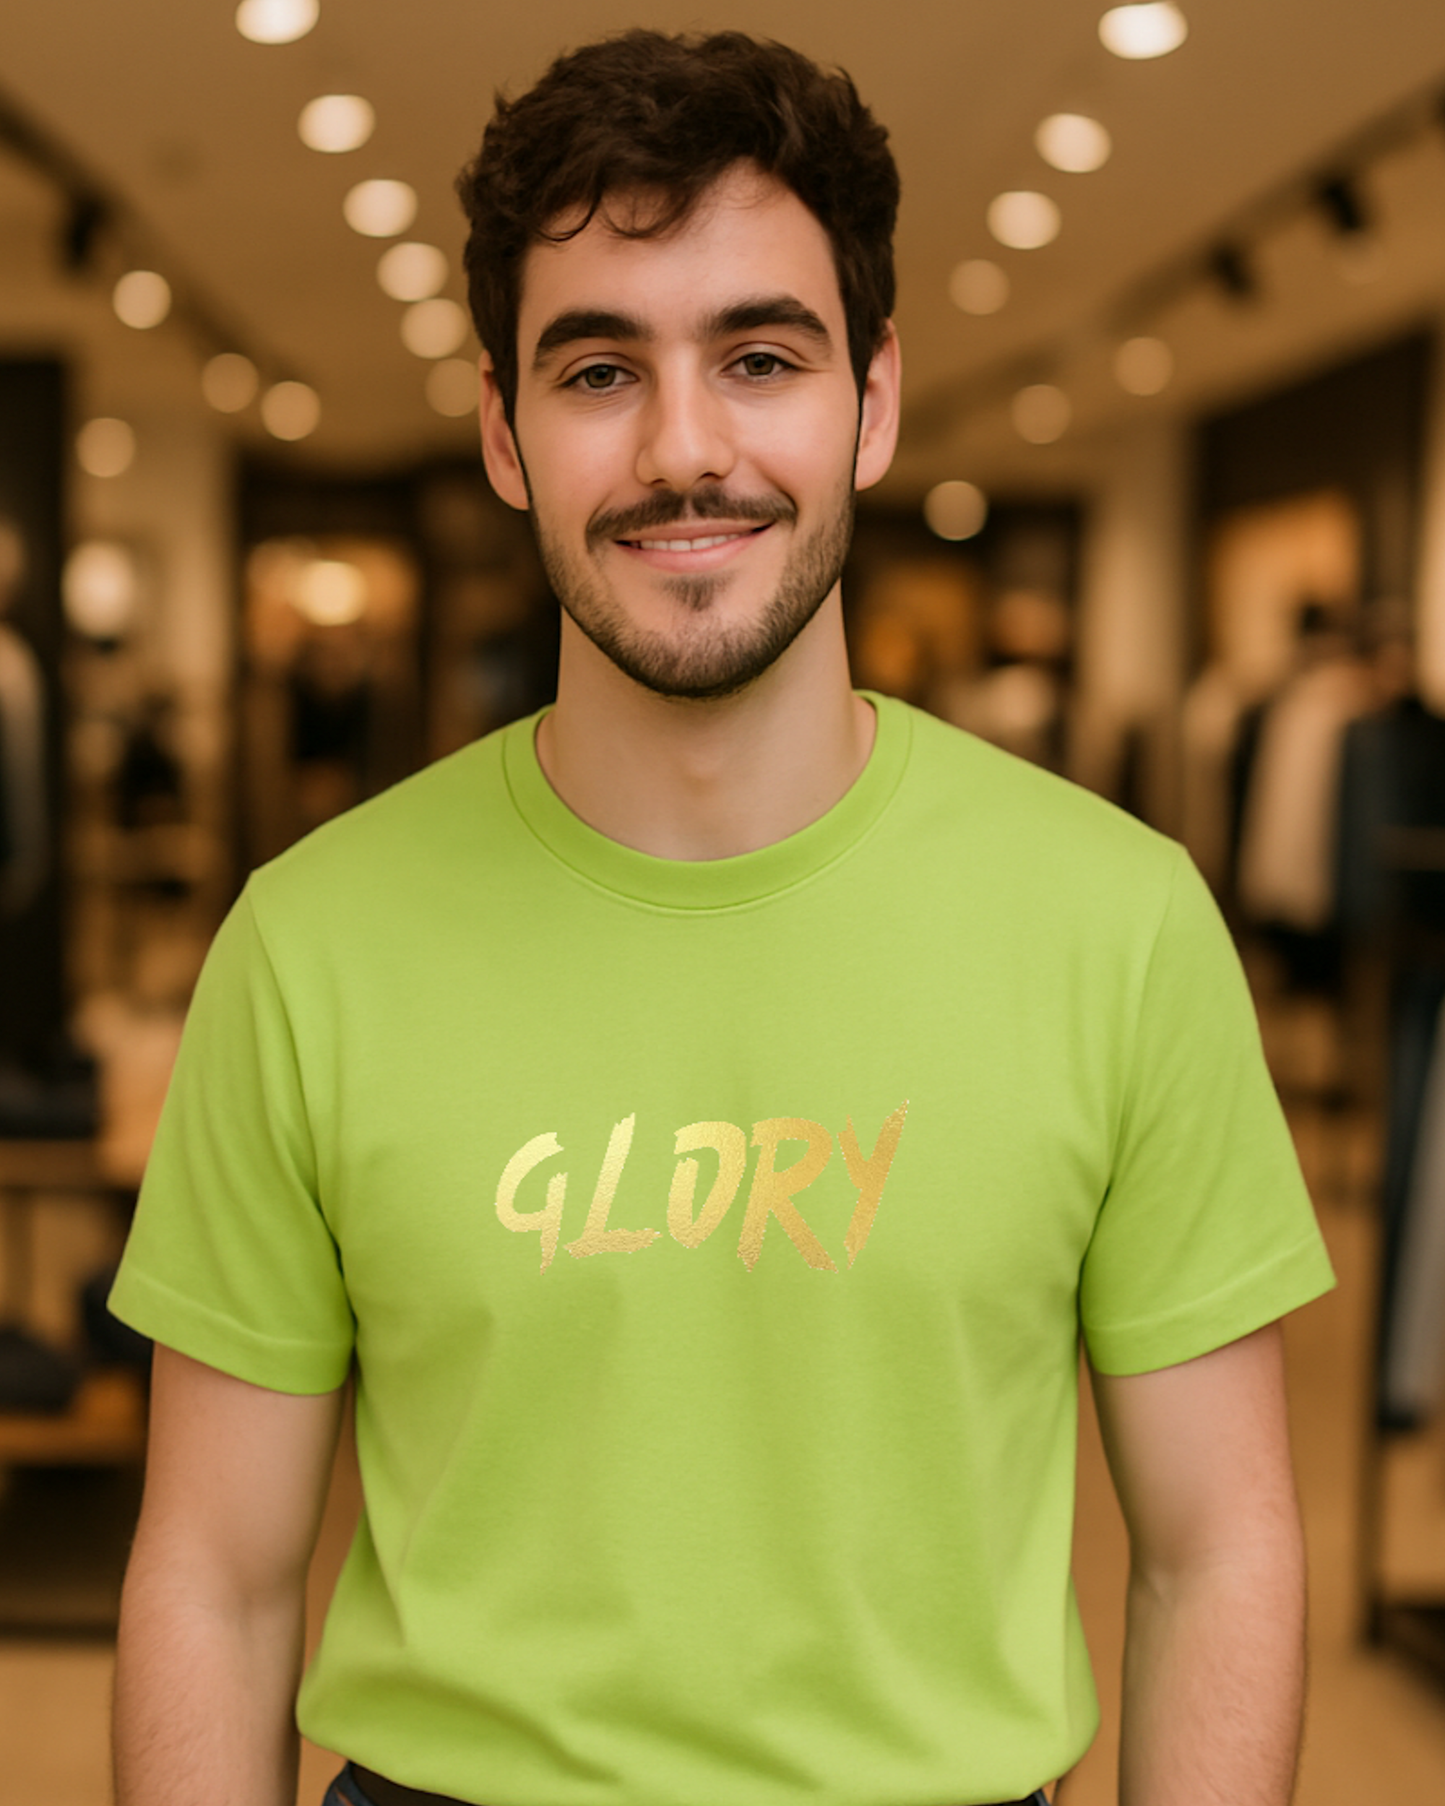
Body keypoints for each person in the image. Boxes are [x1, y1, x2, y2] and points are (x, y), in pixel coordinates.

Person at [109, 30, 1334, 1806]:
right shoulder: (307, 945)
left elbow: (1221, 1550)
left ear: (875, 400)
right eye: (600, 368)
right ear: (504, 431)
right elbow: (213, 1585)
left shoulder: (1123, 925)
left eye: (760, 356)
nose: (688, 450)